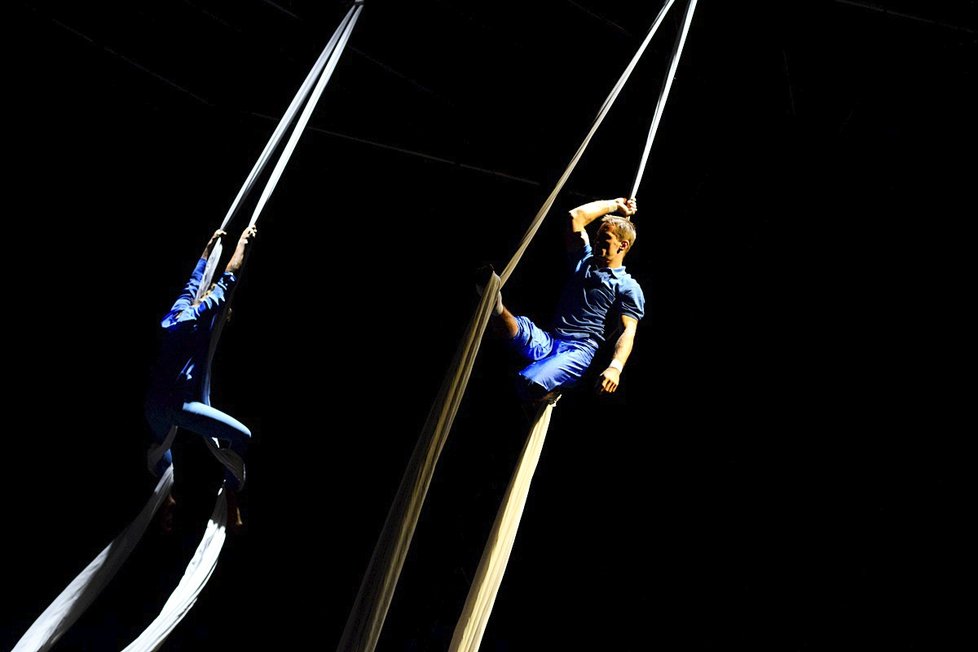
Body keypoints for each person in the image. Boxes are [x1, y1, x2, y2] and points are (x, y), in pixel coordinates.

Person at [144, 224, 257, 531]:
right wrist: (243, 242)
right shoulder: (201, 314)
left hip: (153, 404)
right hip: (176, 405)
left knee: (160, 450)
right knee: (242, 437)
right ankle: (231, 492)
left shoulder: (178, 309)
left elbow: (195, 280)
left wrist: (208, 248)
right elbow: (228, 278)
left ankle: (165, 497)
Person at [485, 197, 644, 403]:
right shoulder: (583, 259)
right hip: (551, 340)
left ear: (623, 245)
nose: (596, 245)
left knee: (526, 384)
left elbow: (628, 332)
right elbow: (575, 216)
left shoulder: (627, 286)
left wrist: (615, 367)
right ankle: (493, 302)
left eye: (604, 241)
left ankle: (554, 390)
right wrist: (615, 204)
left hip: (578, 350)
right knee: (507, 325)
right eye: (596, 239)